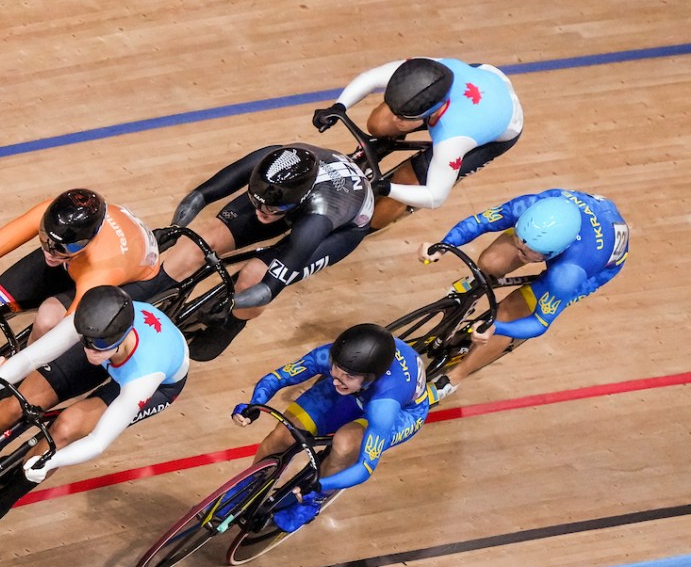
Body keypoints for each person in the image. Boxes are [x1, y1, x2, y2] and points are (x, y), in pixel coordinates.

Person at [0, 285, 190, 534]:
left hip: (156, 382)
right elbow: (32, 357)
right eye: (87, 343)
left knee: (66, 427)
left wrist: (54, 459)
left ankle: (2, 500)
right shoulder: (90, 324)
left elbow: (98, 442)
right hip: (117, 353)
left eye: (99, 348)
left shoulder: (145, 375)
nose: (90, 352)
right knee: (20, 400)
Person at [160, 143, 375, 361]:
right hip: (289, 198)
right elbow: (202, 195)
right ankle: (156, 286)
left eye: (272, 209)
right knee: (205, 241)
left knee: (254, 275)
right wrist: (172, 230)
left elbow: (268, 288)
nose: (262, 212)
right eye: (257, 201)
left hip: (339, 228)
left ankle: (231, 325)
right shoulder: (271, 165)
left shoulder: (317, 220)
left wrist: (231, 304)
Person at [421, 189, 629, 402]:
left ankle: (454, 379)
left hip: (597, 265)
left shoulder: (568, 274)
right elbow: (480, 221)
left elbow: (540, 322)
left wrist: (497, 327)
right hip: (587, 216)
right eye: (519, 241)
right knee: (491, 262)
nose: (520, 250)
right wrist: (443, 246)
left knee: (511, 311)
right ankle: (475, 289)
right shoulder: (528, 206)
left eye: (526, 253)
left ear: (550, 254)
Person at [231, 323, 429, 531]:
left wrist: (320, 486)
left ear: (370, 378)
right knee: (284, 434)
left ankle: (312, 504)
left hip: (403, 412)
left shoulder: (384, 406)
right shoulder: (331, 359)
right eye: (335, 369)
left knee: (345, 444)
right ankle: (248, 485)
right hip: (358, 391)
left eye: (348, 376)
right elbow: (278, 377)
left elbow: (365, 467)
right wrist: (253, 404)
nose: (337, 379)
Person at [313, 57, 523, 230]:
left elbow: (435, 197)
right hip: (481, 78)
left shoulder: (453, 138)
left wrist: (387, 188)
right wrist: (339, 106)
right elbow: (371, 78)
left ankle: (363, 227)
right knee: (379, 124)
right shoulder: (426, 71)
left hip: (500, 123)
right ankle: (386, 143)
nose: (396, 119)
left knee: (407, 180)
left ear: (429, 115)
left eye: (404, 117)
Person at [0, 188, 161, 341]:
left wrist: (16, 366)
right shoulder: (54, 221)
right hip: (77, 262)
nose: (50, 253)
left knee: (48, 320)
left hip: (127, 276)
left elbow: (66, 333)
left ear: (87, 242)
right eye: (45, 240)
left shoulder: (104, 268)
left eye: (61, 249)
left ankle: (19, 382)